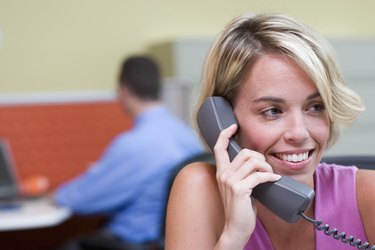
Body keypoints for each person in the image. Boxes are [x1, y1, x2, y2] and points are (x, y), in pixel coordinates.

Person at [165, 13, 375, 250]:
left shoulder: (368, 196)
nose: (299, 133)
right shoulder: (199, 191)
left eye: (315, 107)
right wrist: (233, 237)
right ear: (225, 119)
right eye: (273, 111)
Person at [54, 55, 204, 250]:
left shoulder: (135, 144)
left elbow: (79, 200)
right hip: (175, 240)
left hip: (132, 242)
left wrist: (55, 195)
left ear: (124, 91)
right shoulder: (188, 135)